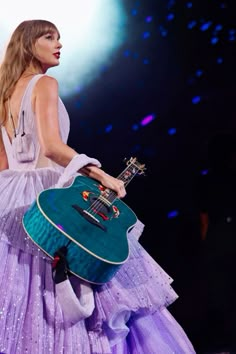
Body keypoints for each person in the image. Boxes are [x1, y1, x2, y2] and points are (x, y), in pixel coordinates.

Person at [0, 19, 196, 353]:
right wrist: (100, 174)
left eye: (59, 38)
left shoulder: (3, 93)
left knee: (20, 286)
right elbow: (51, 147)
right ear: (29, 44)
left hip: (8, 197)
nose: (59, 44)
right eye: (50, 37)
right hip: (49, 197)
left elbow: (3, 164)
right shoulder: (44, 84)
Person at [196, 131, 236, 354]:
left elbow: (204, 220)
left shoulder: (206, 180)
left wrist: (207, 245)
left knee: (221, 293)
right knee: (224, 293)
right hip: (223, 235)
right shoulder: (222, 178)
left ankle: (226, 341)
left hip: (218, 238)